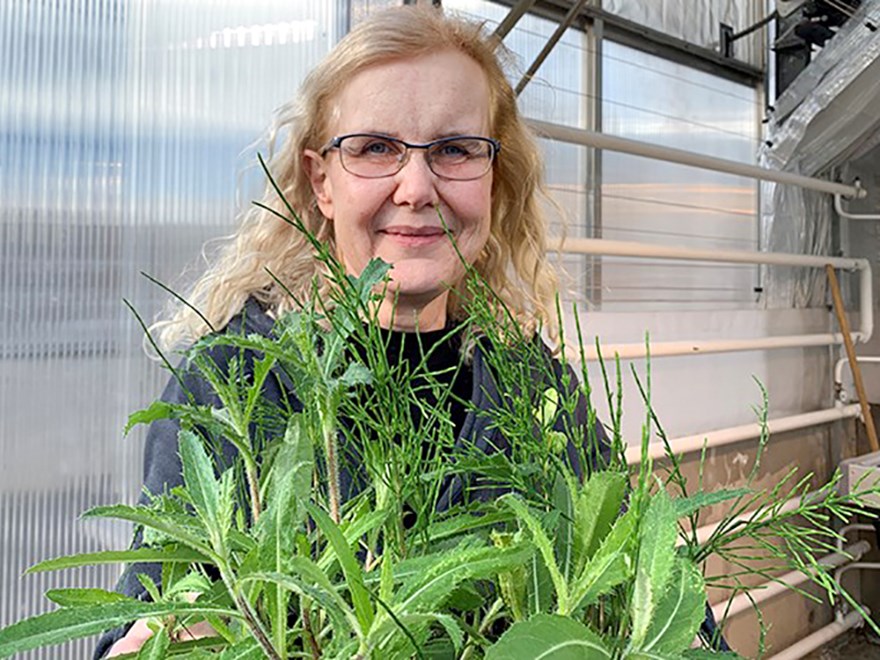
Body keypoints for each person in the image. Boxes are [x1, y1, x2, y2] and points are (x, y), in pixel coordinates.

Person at [97, 5, 722, 657]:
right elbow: (152, 613)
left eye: (454, 149)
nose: (416, 186)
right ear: (322, 181)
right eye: (375, 148)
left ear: (492, 177)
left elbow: (658, 592)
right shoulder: (233, 383)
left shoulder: (527, 377)